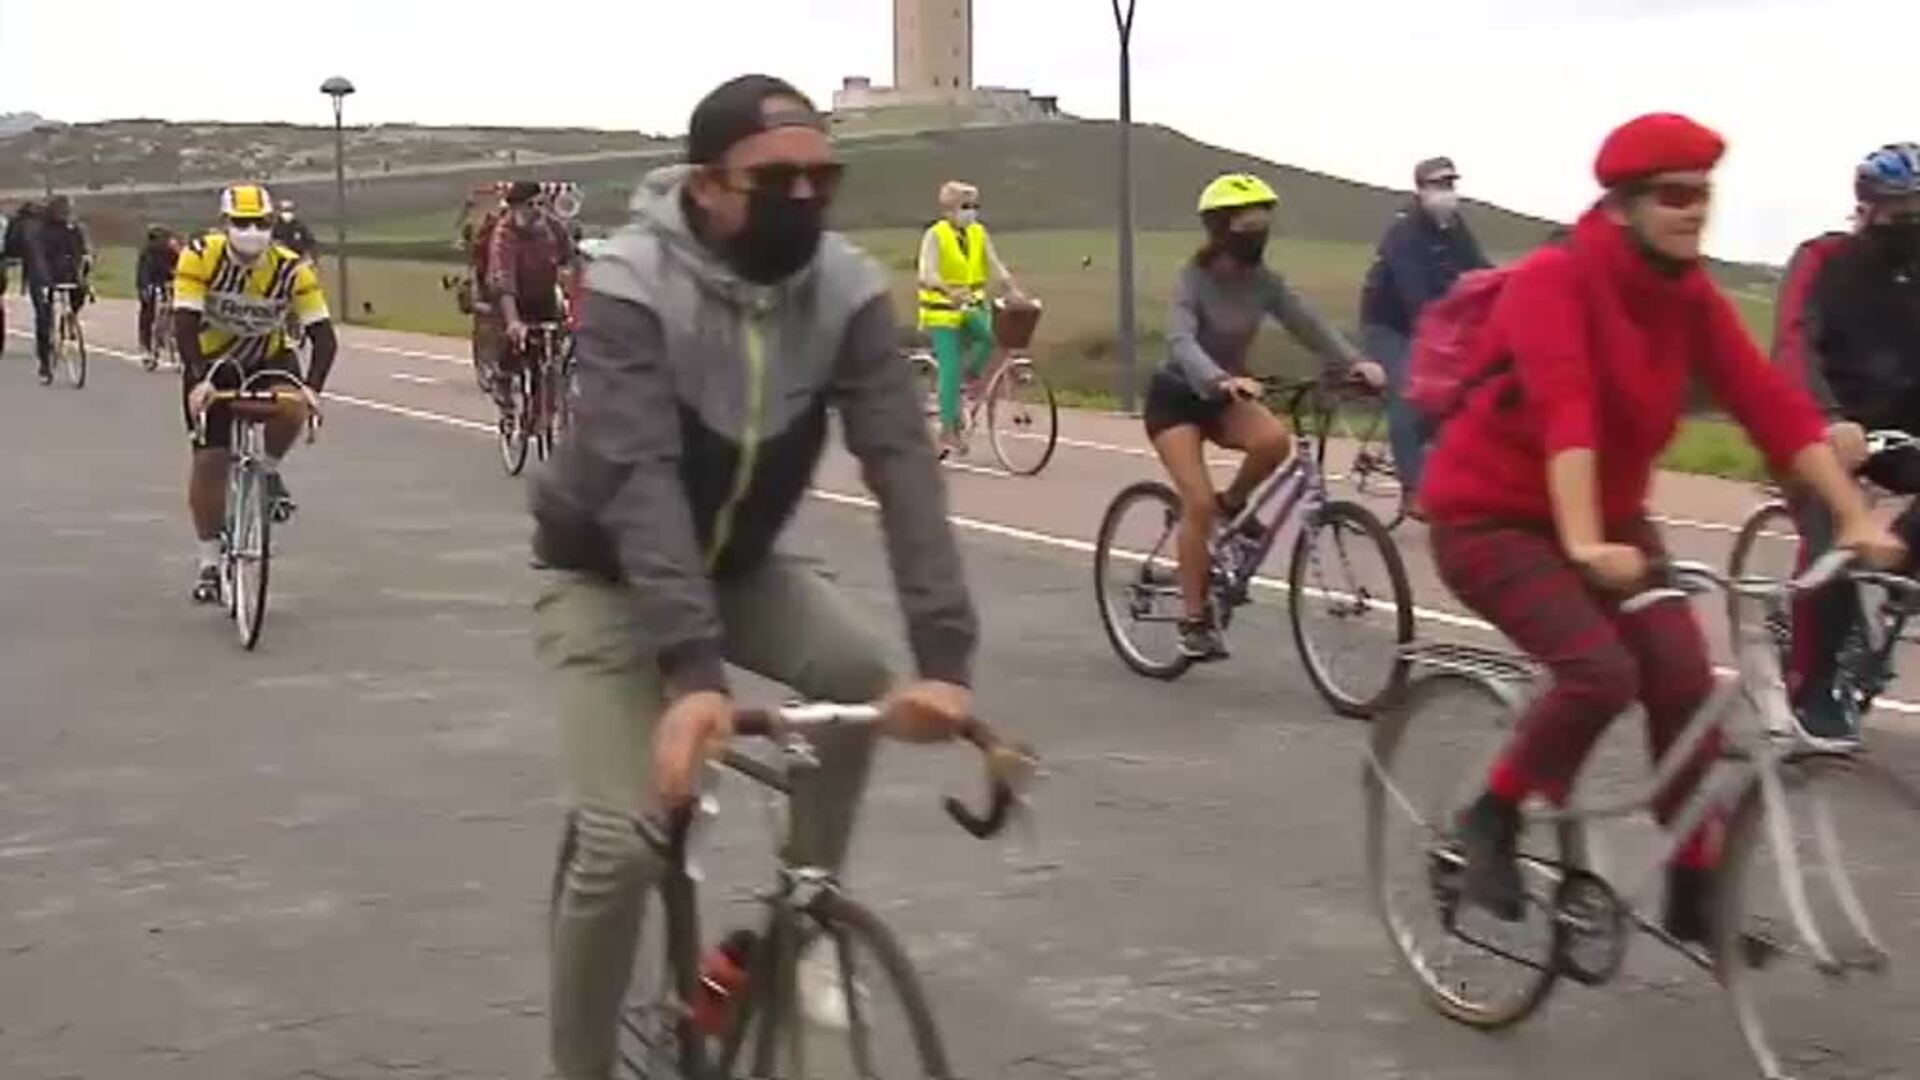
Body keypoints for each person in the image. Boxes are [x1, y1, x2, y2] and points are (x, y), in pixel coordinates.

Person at [533, 74, 977, 1080]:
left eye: (824, 177)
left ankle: (799, 919)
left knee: (861, 671)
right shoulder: (632, 283)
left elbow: (902, 465)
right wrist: (694, 677)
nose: (805, 199)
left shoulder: (847, 289)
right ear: (705, 186)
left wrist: (945, 657)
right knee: (622, 844)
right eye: (774, 179)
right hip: (604, 575)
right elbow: (640, 476)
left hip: (737, 565)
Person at [1416, 113, 1903, 941]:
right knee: (1598, 674)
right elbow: (1566, 408)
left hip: (1606, 517)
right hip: (1490, 514)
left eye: (1704, 196)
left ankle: (1693, 884)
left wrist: (1854, 517)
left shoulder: (1688, 298)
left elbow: (1773, 406)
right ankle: (1490, 818)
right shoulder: (1554, 281)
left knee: (1683, 678)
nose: (1693, 211)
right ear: (1623, 204)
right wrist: (1580, 543)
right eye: (1675, 195)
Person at [1144, 172, 1386, 661]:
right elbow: (1181, 340)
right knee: (1196, 502)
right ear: (1220, 227)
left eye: (1264, 220)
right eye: (1248, 221)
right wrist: (1218, 379)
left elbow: (1307, 322)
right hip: (1178, 397)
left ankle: (1234, 503)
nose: (1259, 230)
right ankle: (1193, 621)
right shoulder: (1194, 280)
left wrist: (1354, 362)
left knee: (1274, 441)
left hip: (1228, 395)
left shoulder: (1264, 283)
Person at [1783, 142, 1920, 742]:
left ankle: (1901, 566)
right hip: (1823, 427)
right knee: (1832, 538)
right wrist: (1827, 417)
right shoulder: (1822, 259)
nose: (1912, 222)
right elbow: (1792, 343)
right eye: (1901, 211)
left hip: (1901, 430)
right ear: (1865, 208)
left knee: (1887, 551)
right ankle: (1811, 688)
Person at [174, 184, 338, 604]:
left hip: (269, 359)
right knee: (211, 460)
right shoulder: (200, 255)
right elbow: (185, 325)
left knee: (292, 407)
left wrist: (313, 390)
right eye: (242, 223)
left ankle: (267, 470)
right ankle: (209, 561)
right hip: (211, 362)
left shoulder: (292, 269)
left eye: (261, 223)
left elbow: (323, 338)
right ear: (225, 224)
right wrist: (198, 380)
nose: (252, 231)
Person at [1359, 156, 1492, 511]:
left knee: (1465, 392)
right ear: (1420, 190)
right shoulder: (1404, 231)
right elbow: (1414, 294)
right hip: (1389, 325)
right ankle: (1413, 491)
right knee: (1409, 393)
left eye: (1450, 185)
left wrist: (1506, 294)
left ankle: (1450, 467)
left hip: (1435, 323)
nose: (1446, 193)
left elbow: (1480, 269)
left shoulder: (1454, 225)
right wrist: (1449, 331)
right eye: (1437, 186)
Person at [915, 180, 1023, 456]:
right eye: (965, 206)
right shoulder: (935, 235)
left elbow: (994, 263)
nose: (971, 212)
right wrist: (947, 289)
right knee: (949, 366)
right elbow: (926, 272)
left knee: (995, 337)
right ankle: (948, 428)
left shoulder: (978, 233)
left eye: (974, 206)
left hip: (972, 306)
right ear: (949, 209)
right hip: (942, 312)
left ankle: (970, 379)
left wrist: (1011, 288)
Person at [484, 179, 574, 409]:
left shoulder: (553, 227)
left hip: (543, 291)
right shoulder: (505, 234)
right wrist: (514, 322)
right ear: (515, 208)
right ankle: (502, 378)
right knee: (511, 338)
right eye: (530, 205)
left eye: (540, 204)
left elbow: (570, 258)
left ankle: (546, 399)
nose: (537, 210)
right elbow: (504, 278)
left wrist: (569, 280)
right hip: (512, 296)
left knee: (554, 344)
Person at [25, 195, 91, 385]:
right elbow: (38, 257)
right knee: (44, 317)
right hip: (43, 278)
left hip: (67, 274)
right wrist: (45, 280)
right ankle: (45, 363)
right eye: (65, 210)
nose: (69, 214)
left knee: (81, 293)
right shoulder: (40, 231)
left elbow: (80, 250)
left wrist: (84, 266)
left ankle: (69, 318)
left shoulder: (73, 229)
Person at [136, 226, 180, 364]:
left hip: (167, 282)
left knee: (177, 310)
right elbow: (142, 272)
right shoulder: (146, 253)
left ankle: (171, 338)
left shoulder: (172, 252)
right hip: (152, 283)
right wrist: (145, 287)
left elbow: (180, 267)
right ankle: (146, 345)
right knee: (148, 311)